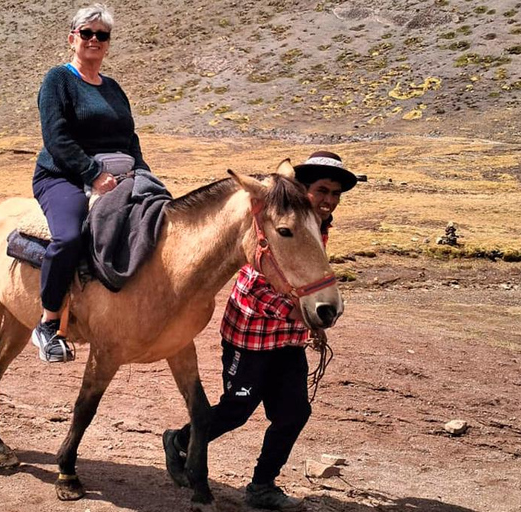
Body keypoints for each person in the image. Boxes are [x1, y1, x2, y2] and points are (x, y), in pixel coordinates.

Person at [163, 151, 357, 511]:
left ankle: (263, 485)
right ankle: (179, 441)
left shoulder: (316, 227)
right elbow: (256, 284)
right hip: (250, 335)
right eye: (322, 190)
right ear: (303, 188)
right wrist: (304, 315)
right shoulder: (276, 218)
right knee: (237, 409)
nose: (329, 199)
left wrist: (309, 315)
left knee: (294, 412)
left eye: (336, 193)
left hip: (287, 340)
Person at [31, 4, 151, 362]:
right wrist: (92, 174)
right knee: (68, 237)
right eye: (87, 33)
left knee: (159, 220)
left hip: (120, 175)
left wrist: (144, 175)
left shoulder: (114, 88)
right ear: (72, 39)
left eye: (102, 35)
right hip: (63, 175)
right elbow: (56, 137)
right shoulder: (58, 80)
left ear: (108, 44)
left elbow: (130, 139)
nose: (94, 40)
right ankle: (49, 323)